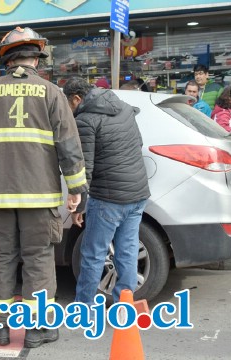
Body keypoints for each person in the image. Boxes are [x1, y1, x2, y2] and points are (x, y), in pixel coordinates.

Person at [0, 26, 87, 348]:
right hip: (39, 197)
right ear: (38, 57)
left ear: (5, 58)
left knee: (1, 259)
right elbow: (69, 146)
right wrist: (76, 189)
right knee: (39, 261)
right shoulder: (51, 93)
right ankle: (36, 330)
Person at [63, 76, 150, 306]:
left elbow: (85, 169)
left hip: (109, 198)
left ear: (77, 98)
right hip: (138, 193)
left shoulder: (85, 119)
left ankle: (84, 308)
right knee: (127, 251)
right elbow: (138, 144)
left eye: (69, 104)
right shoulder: (122, 106)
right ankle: (124, 305)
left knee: (93, 254)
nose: (69, 111)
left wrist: (78, 207)